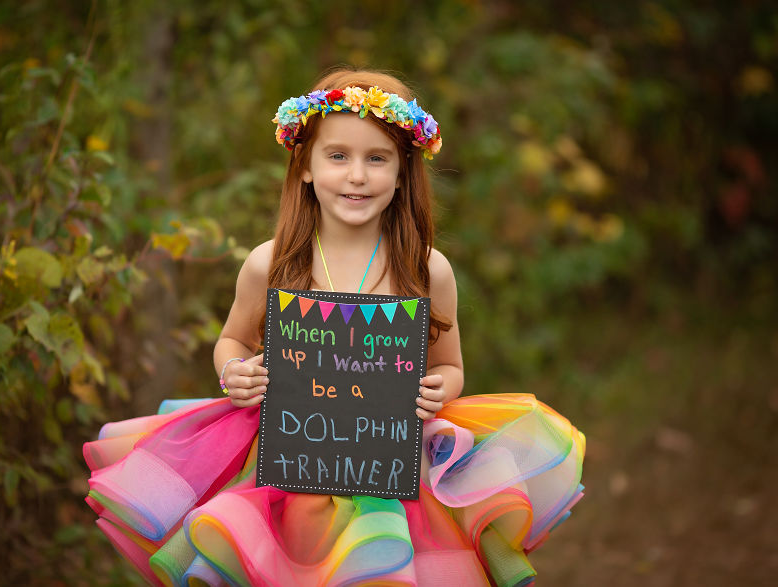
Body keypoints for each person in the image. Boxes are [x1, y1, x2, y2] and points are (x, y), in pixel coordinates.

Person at [84, 68, 585, 587]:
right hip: (285, 464)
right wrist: (234, 371)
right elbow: (232, 340)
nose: (357, 176)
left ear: (402, 170)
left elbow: (450, 366)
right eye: (338, 156)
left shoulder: (426, 270)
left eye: (377, 159)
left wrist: (441, 390)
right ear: (305, 166)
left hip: (388, 474)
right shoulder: (270, 263)